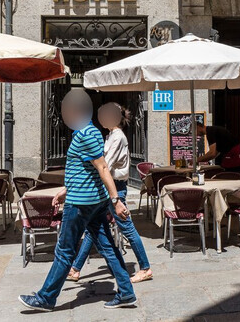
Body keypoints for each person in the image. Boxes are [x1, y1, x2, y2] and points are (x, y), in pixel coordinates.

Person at [19, 90, 137, 312]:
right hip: (92, 199)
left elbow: (102, 167)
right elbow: (86, 170)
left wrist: (116, 200)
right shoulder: (89, 132)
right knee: (108, 247)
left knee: (64, 250)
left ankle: (46, 298)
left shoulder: (85, 134)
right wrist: (67, 188)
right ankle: (127, 292)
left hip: (82, 203)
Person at [67, 102, 153, 284]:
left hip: (116, 190)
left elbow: (106, 164)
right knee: (94, 229)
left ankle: (145, 268)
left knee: (128, 229)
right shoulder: (111, 136)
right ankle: (75, 269)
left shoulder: (118, 137)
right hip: (109, 188)